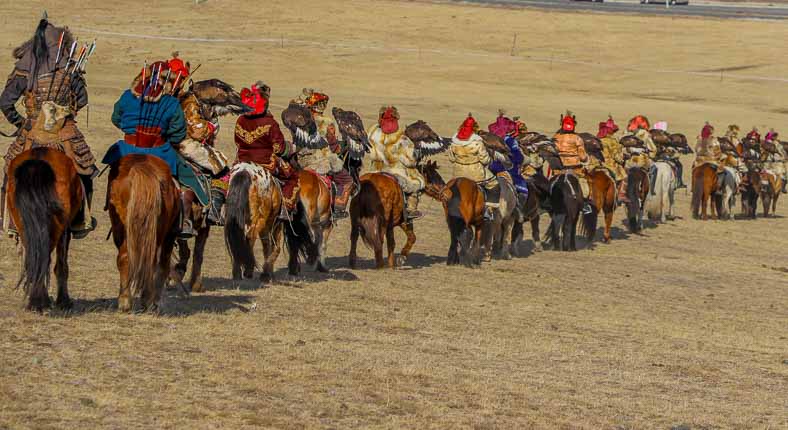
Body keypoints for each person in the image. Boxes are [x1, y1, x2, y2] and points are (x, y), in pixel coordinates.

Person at [0, 16, 96, 238]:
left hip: (32, 132)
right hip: (64, 133)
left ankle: (8, 218)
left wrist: (20, 122)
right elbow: (81, 100)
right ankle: (80, 219)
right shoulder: (69, 67)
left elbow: (5, 102)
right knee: (85, 171)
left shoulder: (24, 66)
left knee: (9, 171)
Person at [103, 61, 210, 238]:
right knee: (186, 176)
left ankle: (111, 202)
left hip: (127, 149)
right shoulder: (170, 103)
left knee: (114, 170)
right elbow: (178, 133)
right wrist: (165, 136)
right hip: (159, 152)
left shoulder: (127, 96)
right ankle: (183, 220)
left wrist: (129, 129)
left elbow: (116, 119)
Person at [234, 82, 299, 218]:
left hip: (242, 160)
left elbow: (237, 142)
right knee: (292, 177)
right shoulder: (269, 123)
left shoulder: (240, 120)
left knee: (227, 178)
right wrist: (292, 148)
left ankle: (220, 206)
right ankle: (285, 208)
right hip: (265, 162)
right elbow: (279, 148)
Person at [177, 78, 231, 226]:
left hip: (172, 142)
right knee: (222, 167)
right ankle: (214, 209)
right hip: (186, 145)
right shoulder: (191, 104)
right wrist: (211, 126)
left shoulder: (179, 99)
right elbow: (196, 131)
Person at [296, 88, 354, 218]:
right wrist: (340, 148)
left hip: (302, 159)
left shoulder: (300, 120)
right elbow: (332, 144)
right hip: (321, 160)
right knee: (347, 180)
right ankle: (338, 207)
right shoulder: (327, 122)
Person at [367, 106, 424, 219]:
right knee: (416, 183)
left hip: (375, 169)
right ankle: (411, 208)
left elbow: (370, 151)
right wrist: (417, 156)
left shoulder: (372, 133)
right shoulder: (402, 138)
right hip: (396, 171)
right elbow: (409, 161)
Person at [449, 114, 497, 219]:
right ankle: (488, 211)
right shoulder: (477, 142)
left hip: (458, 174)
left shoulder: (454, 142)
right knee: (494, 185)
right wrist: (489, 160)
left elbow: (451, 159)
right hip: (476, 173)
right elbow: (484, 159)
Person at [553, 112, 593, 214]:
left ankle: (548, 202)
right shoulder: (577, 138)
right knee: (584, 185)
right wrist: (586, 160)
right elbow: (582, 156)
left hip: (559, 169)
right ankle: (585, 204)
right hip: (575, 168)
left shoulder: (556, 137)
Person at [488, 111, 528, 203]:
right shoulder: (510, 140)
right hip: (509, 171)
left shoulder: (489, 139)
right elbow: (518, 158)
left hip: (491, 170)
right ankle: (520, 209)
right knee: (523, 187)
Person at [596, 116, 628, 203]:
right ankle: (621, 194)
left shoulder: (598, 139)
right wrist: (622, 159)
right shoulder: (612, 141)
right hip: (610, 165)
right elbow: (616, 156)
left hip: (597, 164)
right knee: (624, 176)